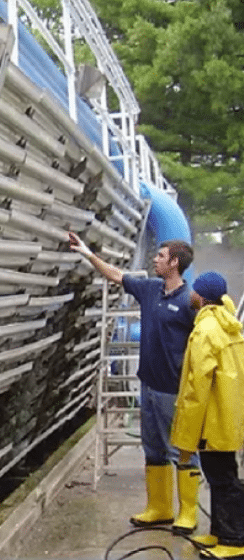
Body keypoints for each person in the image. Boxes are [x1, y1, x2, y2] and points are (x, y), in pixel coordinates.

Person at [68, 231, 200, 534]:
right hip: (149, 385)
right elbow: (116, 275)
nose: (155, 259)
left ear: (175, 263)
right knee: (152, 447)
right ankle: (160, 507)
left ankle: (188, 512)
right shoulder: (151, 289)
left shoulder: (191, 301)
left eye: (161, 256)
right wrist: (87, 253)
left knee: (181, 449)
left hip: (174, 389)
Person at [171, 271, 244, 559]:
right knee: (220, 476)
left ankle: (234, 540)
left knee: (224, 480)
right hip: (227, 415)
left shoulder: (205, 331)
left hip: (211, 420)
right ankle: (219, 532)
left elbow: (195, 388)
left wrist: (185, 437)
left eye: (194, 289)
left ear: (200, 296)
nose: (190, 293)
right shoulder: (229, 325)